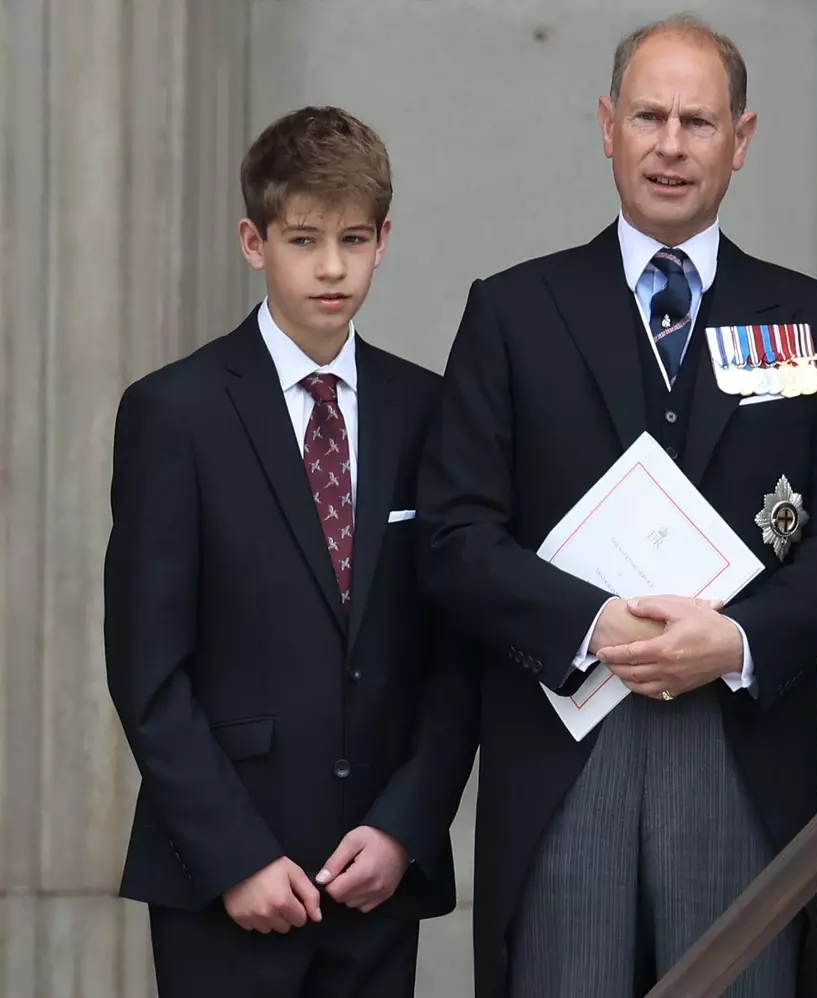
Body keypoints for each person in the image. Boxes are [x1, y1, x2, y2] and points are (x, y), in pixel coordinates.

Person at [417, 15, 817, 998]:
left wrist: (737, 641)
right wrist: (587, 621)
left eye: (698, 122)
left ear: (742, 139)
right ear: (606, 125)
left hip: (738, 755)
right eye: (649, 116)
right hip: (562, 757)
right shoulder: (513, 313)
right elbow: (455, 533)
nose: (671, 145)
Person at [104, 106, 481, 997]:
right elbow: (147, 669)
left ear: (384, 240)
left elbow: (456, 652)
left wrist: (405, 827)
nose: (331, 267)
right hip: (224, 877)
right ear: (252, 239)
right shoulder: (175, 413)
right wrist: (234, 857)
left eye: (354, 238)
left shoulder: (428, 411)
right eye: (303, 238)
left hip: (373, 876)